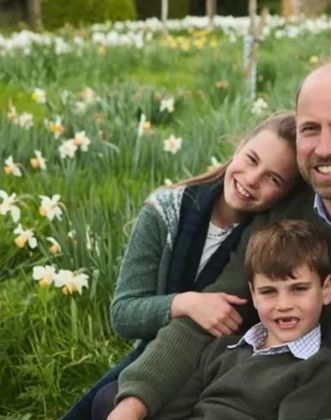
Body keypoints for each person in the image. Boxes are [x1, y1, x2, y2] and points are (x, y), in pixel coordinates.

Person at [107, 61, 331, 420]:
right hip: (248, 402)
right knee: (115, 401)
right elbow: (209, 318)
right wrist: (132, 404)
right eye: (310, 129)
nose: (324, 148)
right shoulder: (284, 213)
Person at [64, 112, 301, 420]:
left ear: (285, 194)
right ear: (239, 147)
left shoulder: (268, 237)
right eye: (252, 159)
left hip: (222, 366)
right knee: (108, 402)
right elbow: (123, 314)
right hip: (159, 357)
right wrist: (185, 303)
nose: (252, 180)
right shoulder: (165, 212)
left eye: (273, 179)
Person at [152, 219, 331, 419]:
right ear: (253, 295)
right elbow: (171, 412)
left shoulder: (321, 369)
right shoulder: (220, 350)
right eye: (268, 291)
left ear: (326, 290)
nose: (283, 305)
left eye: (299, 289)